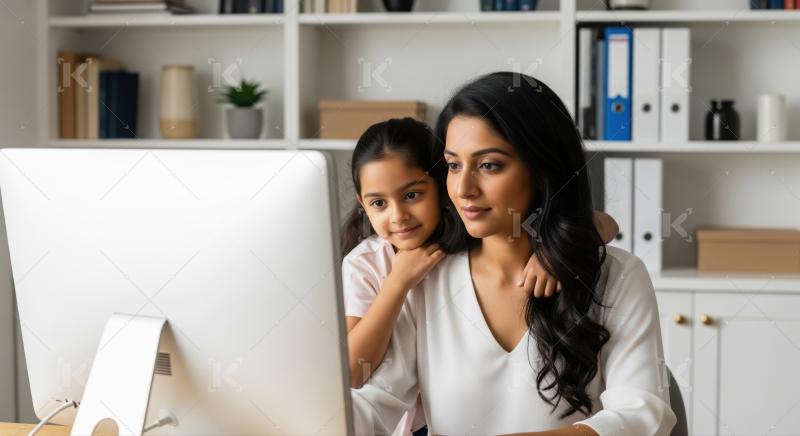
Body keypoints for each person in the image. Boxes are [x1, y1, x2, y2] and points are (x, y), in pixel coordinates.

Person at [349, 73, 677, 435]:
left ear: (542, 169)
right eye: (453, 165)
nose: (463, 188)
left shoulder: (618, 277)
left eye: (489, 165)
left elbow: (645, 417)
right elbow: (375, 402)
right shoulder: (425, 279)